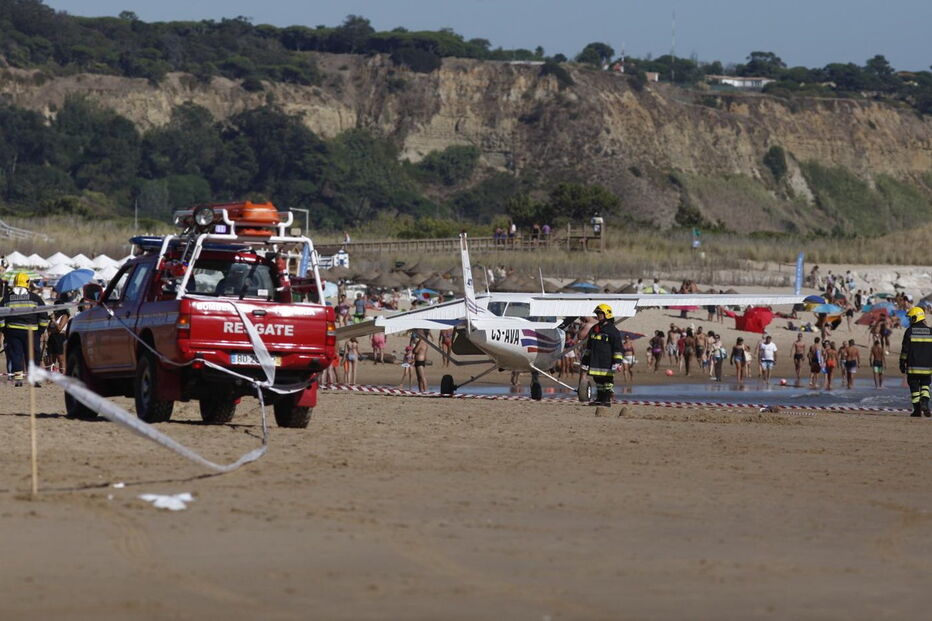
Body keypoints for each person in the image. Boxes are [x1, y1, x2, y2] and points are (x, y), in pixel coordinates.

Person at [0, 273, 49, 387]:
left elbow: (1, 317)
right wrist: (40, 331)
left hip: (13, 332)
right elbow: (44, 317)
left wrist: (4, 330)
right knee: (32, 355)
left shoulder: (6, 298)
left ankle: (18, 380)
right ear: (27, 283)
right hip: (31, 332)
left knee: (16, 355)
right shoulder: (35, 298)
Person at [580, 304, 623, 406]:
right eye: (597, 313)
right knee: (598, 380)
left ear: (607, 314)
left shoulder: (613, 331)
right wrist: (585, 360)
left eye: (600, 313)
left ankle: (606, 400)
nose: (598, 316)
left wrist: (617, 362)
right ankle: (599, 399)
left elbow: (617, 348)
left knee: (607, 381)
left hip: (607, 362)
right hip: (595, 361)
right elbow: (589, 347)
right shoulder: (594, 329)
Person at [899, 306, 932, 417]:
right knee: (926, 385)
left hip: (913, 366)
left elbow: (905, 351)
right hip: (927, 367)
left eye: (911, 318)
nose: (909, 320)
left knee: (914, 388)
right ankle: (925, 403)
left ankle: (917, 410)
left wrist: (902, 363)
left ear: (915, 318)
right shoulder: (930, 331)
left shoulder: (909, 332)